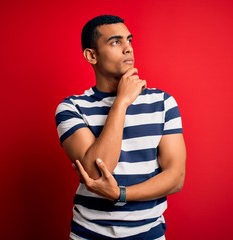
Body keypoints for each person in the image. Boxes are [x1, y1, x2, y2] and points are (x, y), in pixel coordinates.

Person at [55, 15, 186, 240]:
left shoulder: (163, 102)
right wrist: (121, 102)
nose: (128, 49)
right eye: (116, 42)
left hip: (149, 235)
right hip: (89, 234)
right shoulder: (71, 107)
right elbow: (96, 172)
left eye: (129, 40)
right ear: (91, 55)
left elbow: (176, 177)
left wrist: (120, 194)